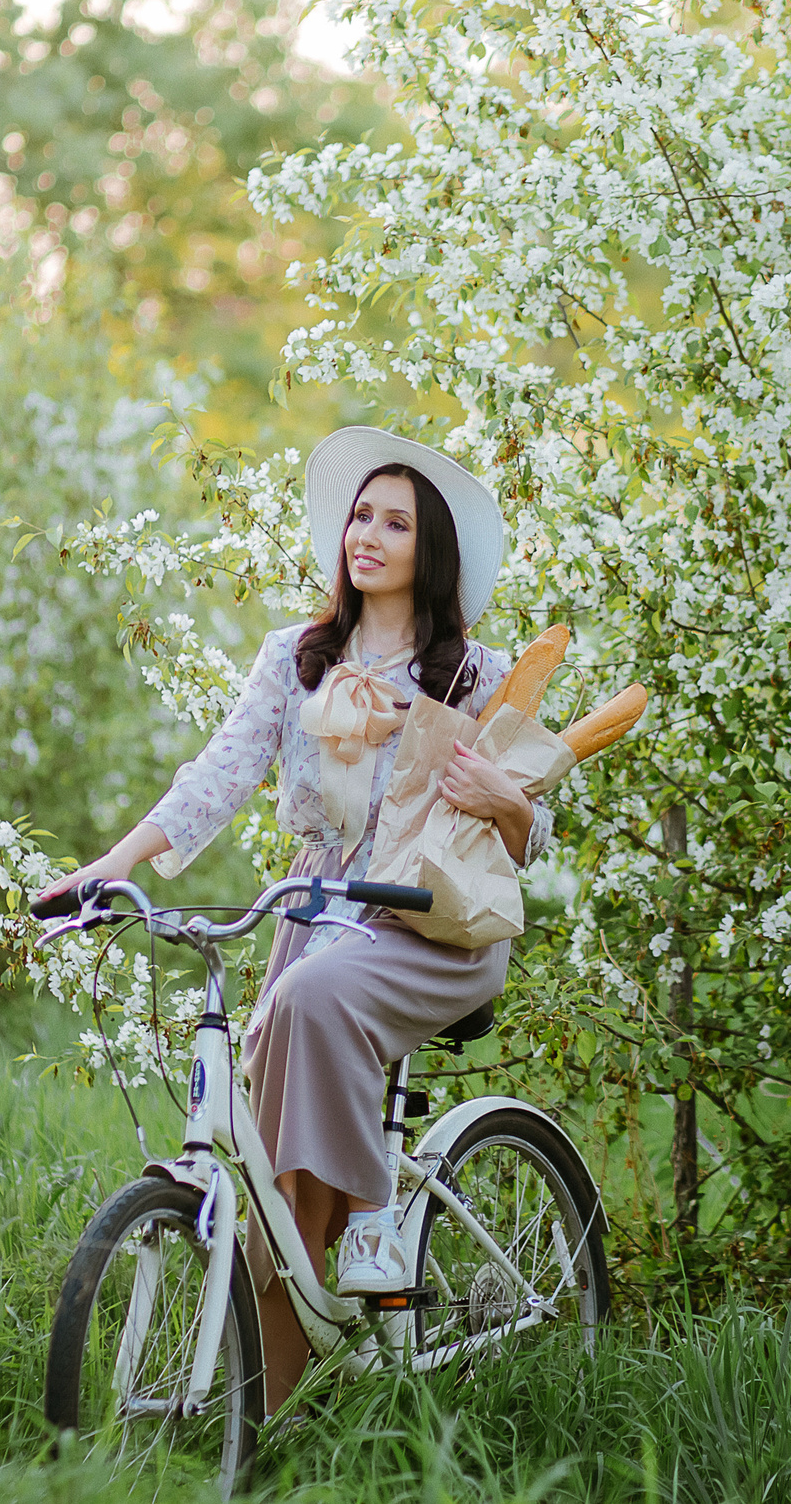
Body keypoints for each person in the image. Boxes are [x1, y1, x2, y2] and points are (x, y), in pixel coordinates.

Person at [39, 426, 549, 1409]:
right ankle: (264, 1420)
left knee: (305, 1006)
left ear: (430, 551)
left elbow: (535, 836)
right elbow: (218, 774)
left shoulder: (473, 675)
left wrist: (504, 798)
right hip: (318, 915)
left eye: (395, 523)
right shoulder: (296, 657)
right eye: (361, 515)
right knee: (278, 1177)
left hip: (434, 922)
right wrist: (111, 865)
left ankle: (373, 1223)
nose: (367, 535)